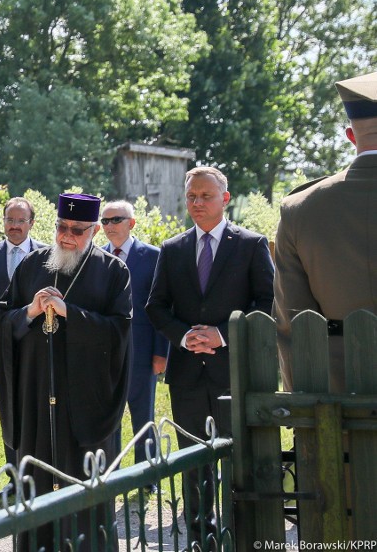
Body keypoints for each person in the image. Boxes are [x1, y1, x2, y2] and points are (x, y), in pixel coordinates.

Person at [0, 193, 131, 551]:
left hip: (85, 401)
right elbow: (1, 320)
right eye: (61, 227)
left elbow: (120, 332)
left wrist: (71, 313)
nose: (67, 236)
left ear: (95, 230)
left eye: (77, 230)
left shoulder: (113, 271)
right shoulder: (31, 266)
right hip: (36, 397)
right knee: (37, 490)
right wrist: (29, 312)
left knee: (84, 494)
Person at [146, 167, 273, 544]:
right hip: (187, 376)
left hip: (234, 375)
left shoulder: (251, 244)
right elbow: (156, 306)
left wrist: (223, 334)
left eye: (205, 196)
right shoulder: (172, 249)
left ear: (225, 199)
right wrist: (185, 337)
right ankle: (202, 538)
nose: (197, 203)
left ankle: (242, 535)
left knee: (238, 463)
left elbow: (267, 303)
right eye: (191, 197)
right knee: (193, 465)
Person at [274, 71, 377, 393]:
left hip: (339, 401)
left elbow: (292, 322)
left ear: (350, 135)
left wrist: (305, 414)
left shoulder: (299, 209)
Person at [0, 196, 45, 496]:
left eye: (20, 220)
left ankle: (39, 477)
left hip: (38, 346)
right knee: (8, 413)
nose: (14, 226)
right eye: (9, 220)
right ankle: (15, 478)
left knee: (38, 410)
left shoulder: (46, 254)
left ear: (31, 223)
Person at [100, 200, 168, 478]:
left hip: (142, 352)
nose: (110, 226)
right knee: (109, 417)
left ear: (132, 223)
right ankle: (112, 474)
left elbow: (161, 307)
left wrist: (160, 352)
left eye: (116, 220)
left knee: (143, 416)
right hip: (106, 354)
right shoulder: (96, 256)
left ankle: (146, 474)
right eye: (104, 221)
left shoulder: (153, 256)